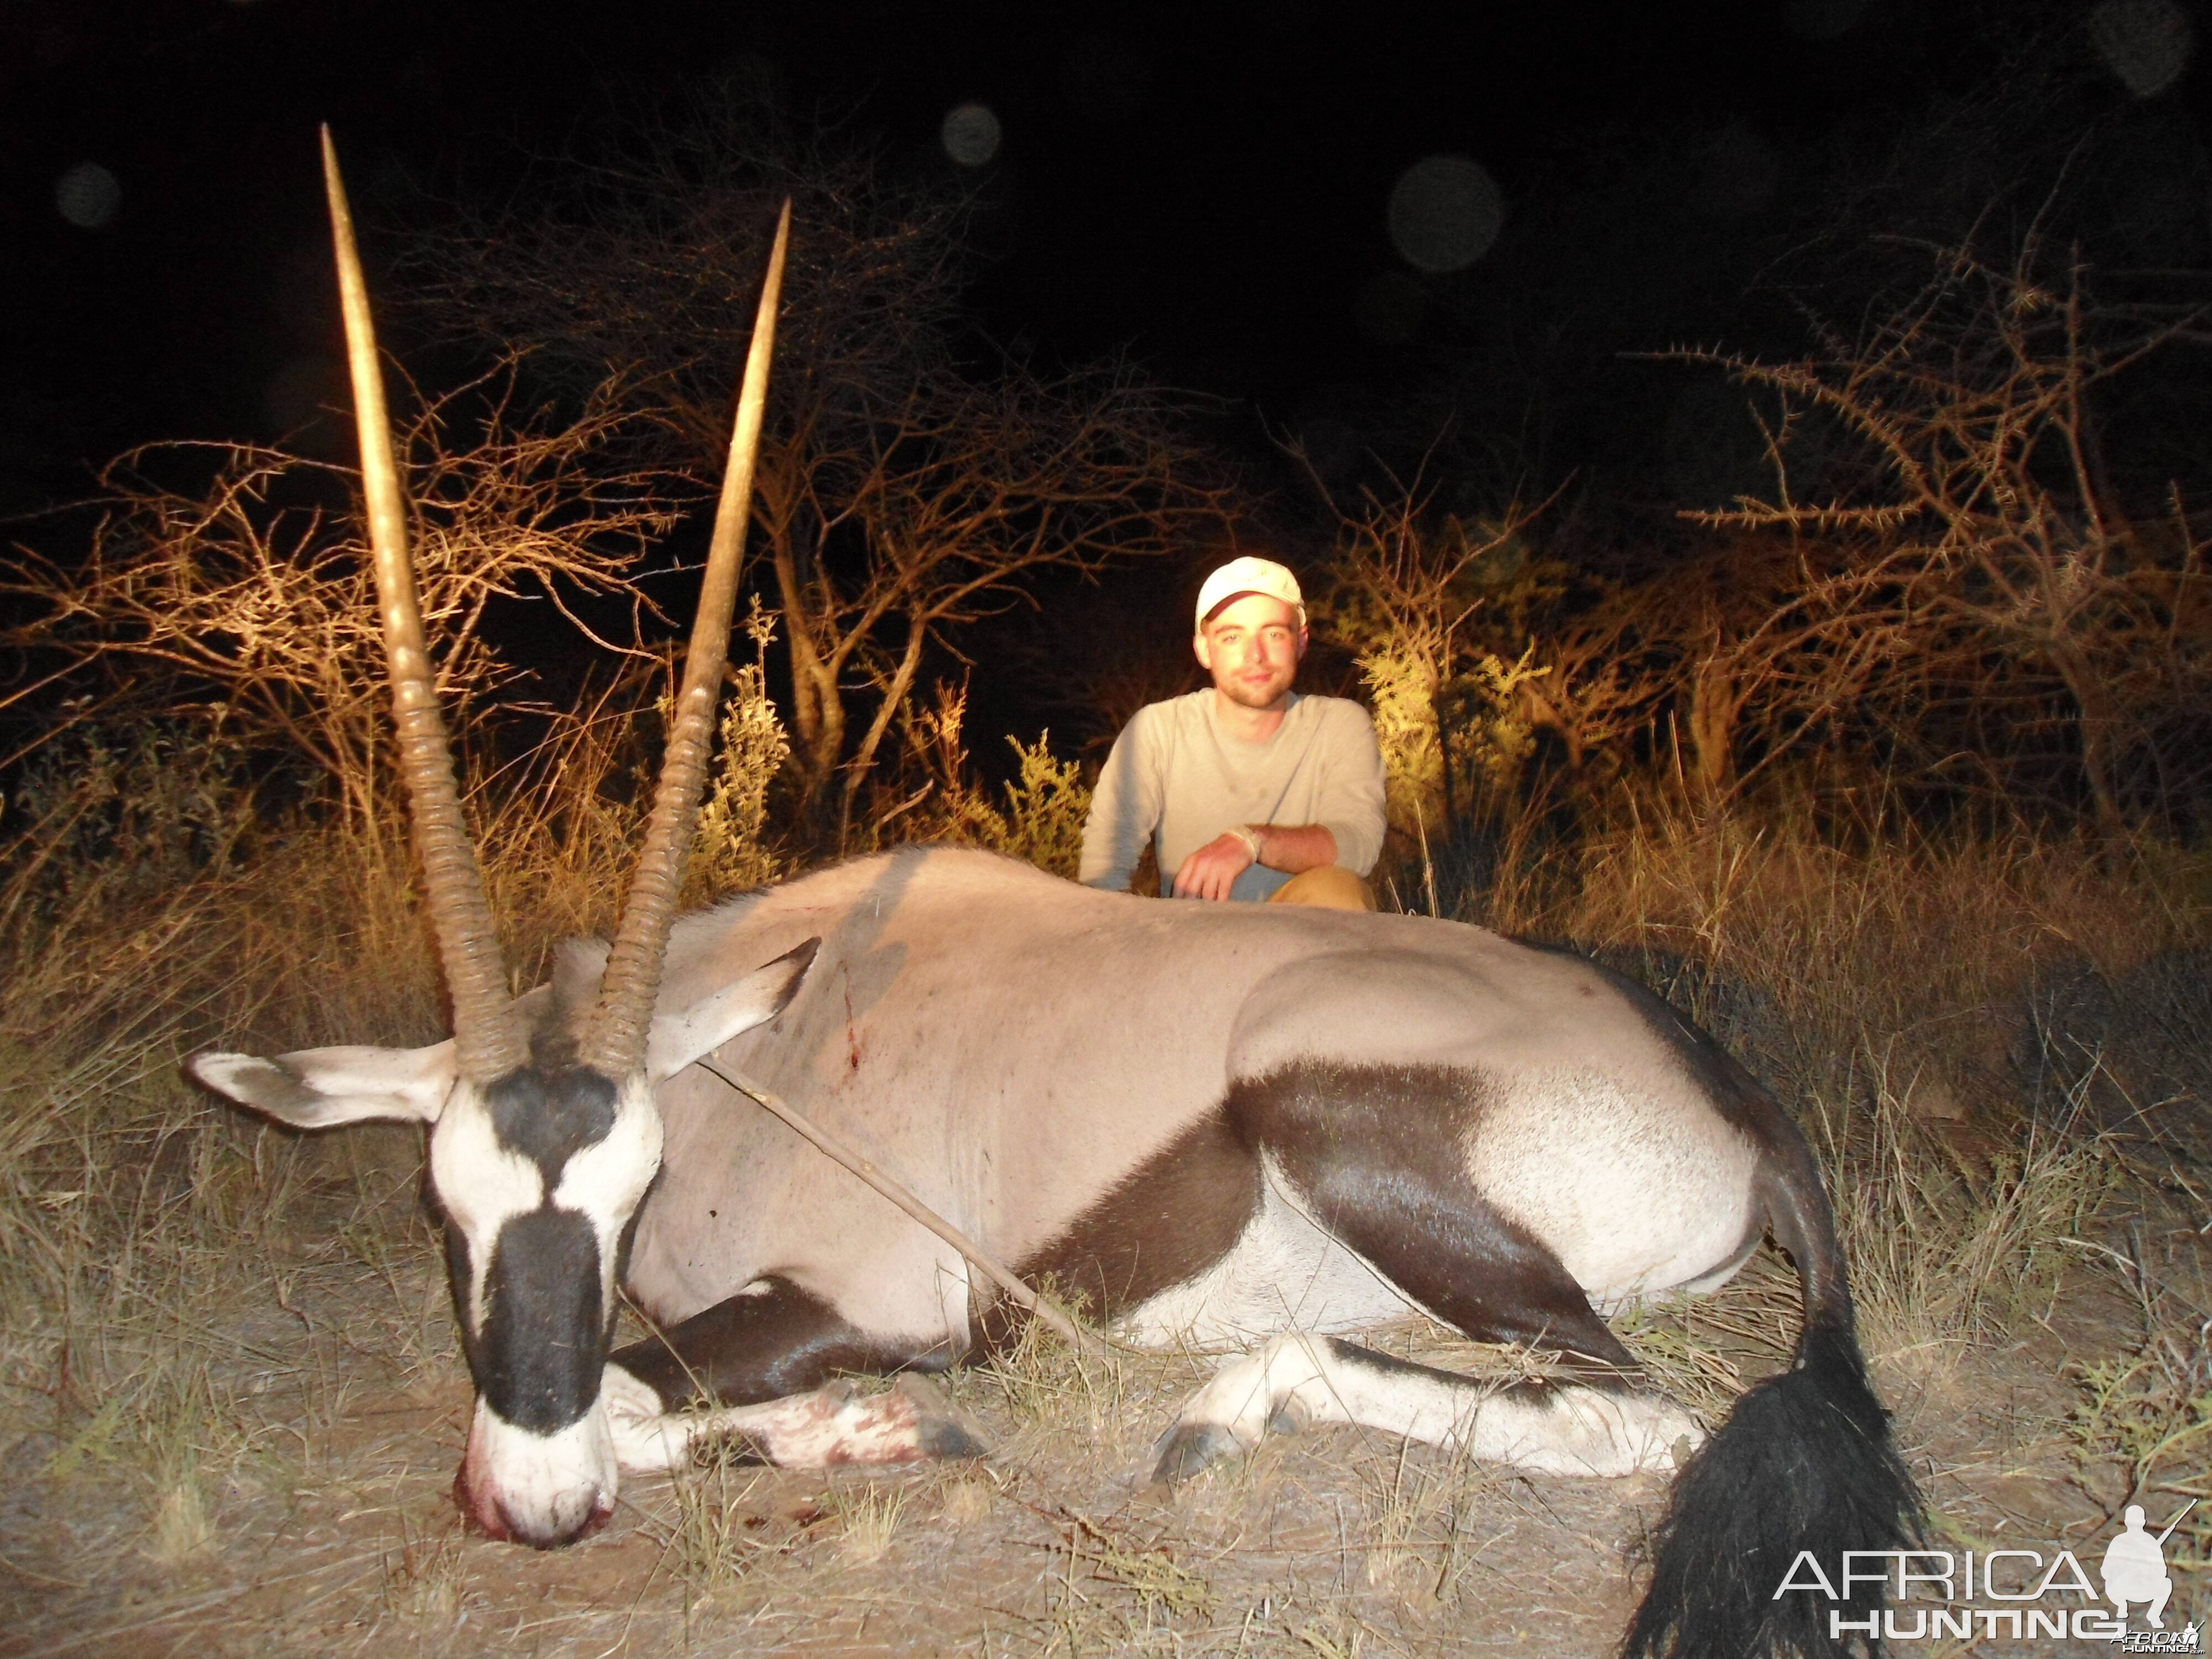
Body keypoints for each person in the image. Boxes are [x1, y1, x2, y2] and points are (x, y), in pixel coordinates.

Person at [1079, 555, 1386, 909]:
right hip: (1188, 944)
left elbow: (1359, 843)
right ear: (1203, 649)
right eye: (1231, 637)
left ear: (1301, 642)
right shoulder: (1158, 731)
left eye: (1273, 633)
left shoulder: (1339, 725)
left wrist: (1250, 842)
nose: (1255, 655)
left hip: (1298, 941)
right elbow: (1104, 869)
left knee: (1337, 890)